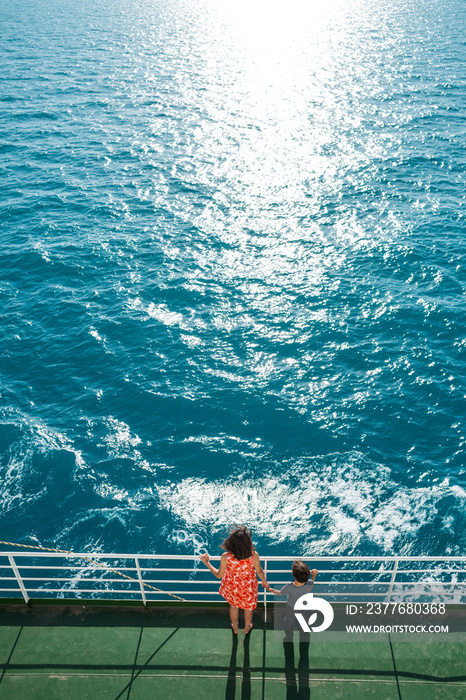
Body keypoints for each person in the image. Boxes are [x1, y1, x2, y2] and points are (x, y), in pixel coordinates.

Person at [199, 526, 269, 634]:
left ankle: (235, 628)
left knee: (233, 607)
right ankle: (247, 628)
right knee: (248, 608)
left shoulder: (226, 556)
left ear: (231, 543)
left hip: (233, 587)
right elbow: (259, 571)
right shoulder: (253, 555)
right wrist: (264, 581)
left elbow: (219, 575)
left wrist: (206, 562)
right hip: (248, 587)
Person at [266, 560, 318, 639]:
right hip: (303, 606)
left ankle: (288, 630)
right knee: (304, 617)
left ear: (294, 575)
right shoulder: (308, 583)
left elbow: (281, 593)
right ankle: (304, 628)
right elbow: (309, 589)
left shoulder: (289, 587)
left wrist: (270, 589)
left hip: (291, 606)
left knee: (289, 619)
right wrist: (313, 576)